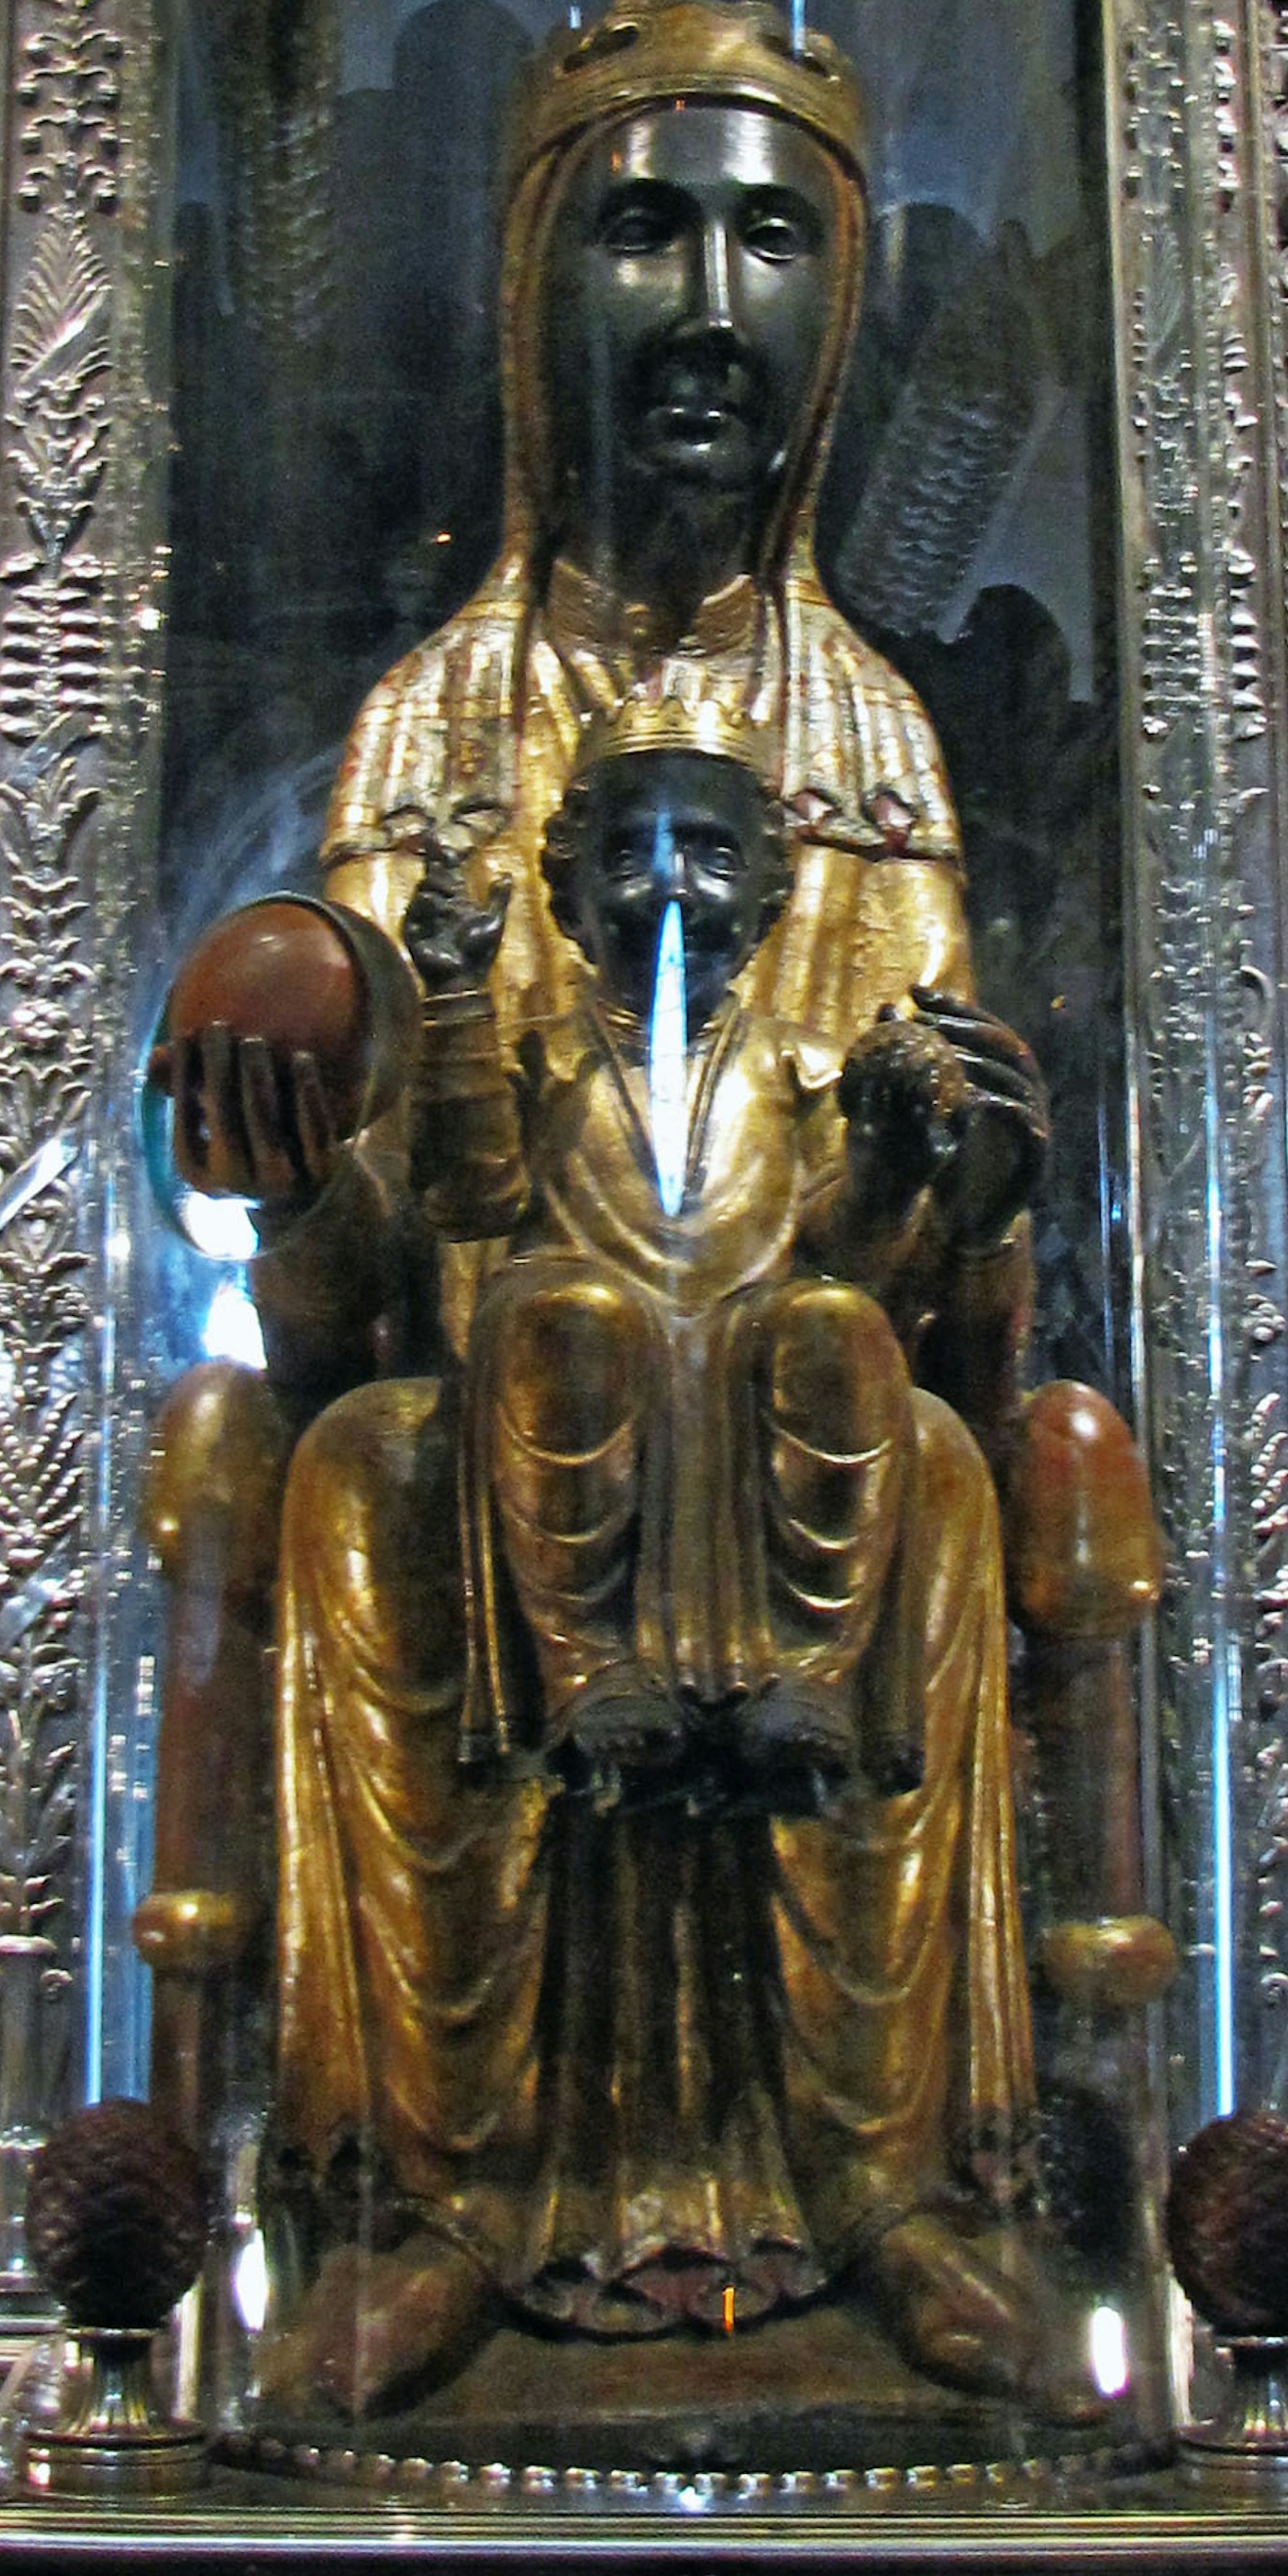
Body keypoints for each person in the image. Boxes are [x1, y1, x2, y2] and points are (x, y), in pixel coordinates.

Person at [160, 0, 1074, 2423]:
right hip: (503, 1426)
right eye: (642, 228)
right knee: (361, 1487)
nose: (702, 304)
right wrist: (293, 1152)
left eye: (769, 239)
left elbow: (940, 1281)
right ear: (538, 284)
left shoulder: (875, 735)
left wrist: (950, 1174)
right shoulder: (426, 730)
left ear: (842, 301)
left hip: (805, 1418)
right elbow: (347, 1301)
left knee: (955, 1484)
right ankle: (423, 2188)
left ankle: (898, 2185)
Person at [401, 679, 983, 1822]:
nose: (670, 888)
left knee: (833, 1323)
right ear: (567, 893)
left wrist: (895, 1166)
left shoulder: (806, 1067)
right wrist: (457, 1002)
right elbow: (466, 1197)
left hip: (753, 1364)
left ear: (772, 894)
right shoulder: (542, 1060)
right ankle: (581, 1663)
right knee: (562, 1312)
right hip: (582, 1363)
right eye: (628, 857)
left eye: (714, 856)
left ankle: (808, 1669)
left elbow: (843, 1252)